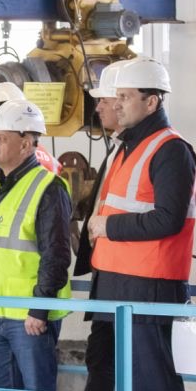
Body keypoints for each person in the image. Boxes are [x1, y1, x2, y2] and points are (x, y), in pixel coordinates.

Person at [83, 59, 196, 391]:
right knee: (109, 374)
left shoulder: (171, 149)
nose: (116, 103)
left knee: (153, 386)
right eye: (116, 95)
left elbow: (168, 219)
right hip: (117, 284)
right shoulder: (128, 145)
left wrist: (107, 225)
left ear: (152, 102)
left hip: (148, 288)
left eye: (125, 96)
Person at [0, 100, 73, 391]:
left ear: (25, 145)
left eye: (2, 138)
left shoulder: (49, 187)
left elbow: (56, 256)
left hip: (27, 319)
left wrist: (39, 308)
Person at [74, 61, 129, 279]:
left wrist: (104, 224)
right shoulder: (117, 149)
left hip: (125, 269)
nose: (98, 108)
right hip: (108, 264)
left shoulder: (156, 150)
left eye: (103, 100)